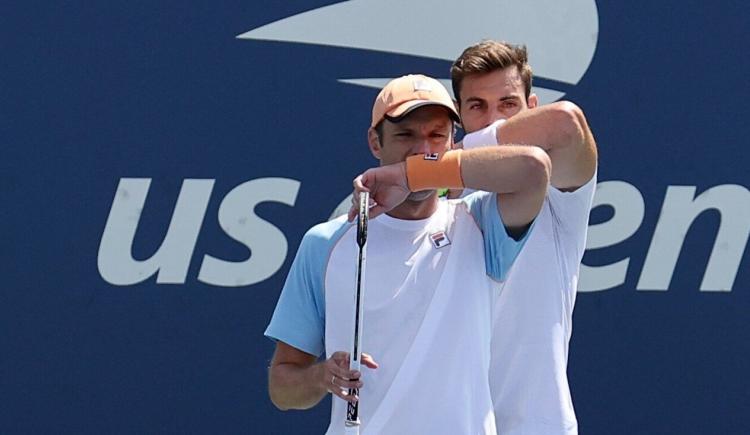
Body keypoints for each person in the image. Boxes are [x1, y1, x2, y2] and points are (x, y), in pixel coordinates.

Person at [264, 74, 552, 434]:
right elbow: (282, 387)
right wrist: (321, 376)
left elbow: (534, 168)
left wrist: (409, 174)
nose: (421, 147)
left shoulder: (478, 222)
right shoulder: (325, 243)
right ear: (374, 141)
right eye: (406, 135)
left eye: (436, 135)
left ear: (453, 142)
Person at [450, 40, 598, 434]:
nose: (495, 119)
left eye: (508, 104)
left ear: (532, 108)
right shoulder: (432, 201)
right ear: (459, 116)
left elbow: (565, 124)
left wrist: (451, 160)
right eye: (477, 106)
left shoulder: (557, 193)